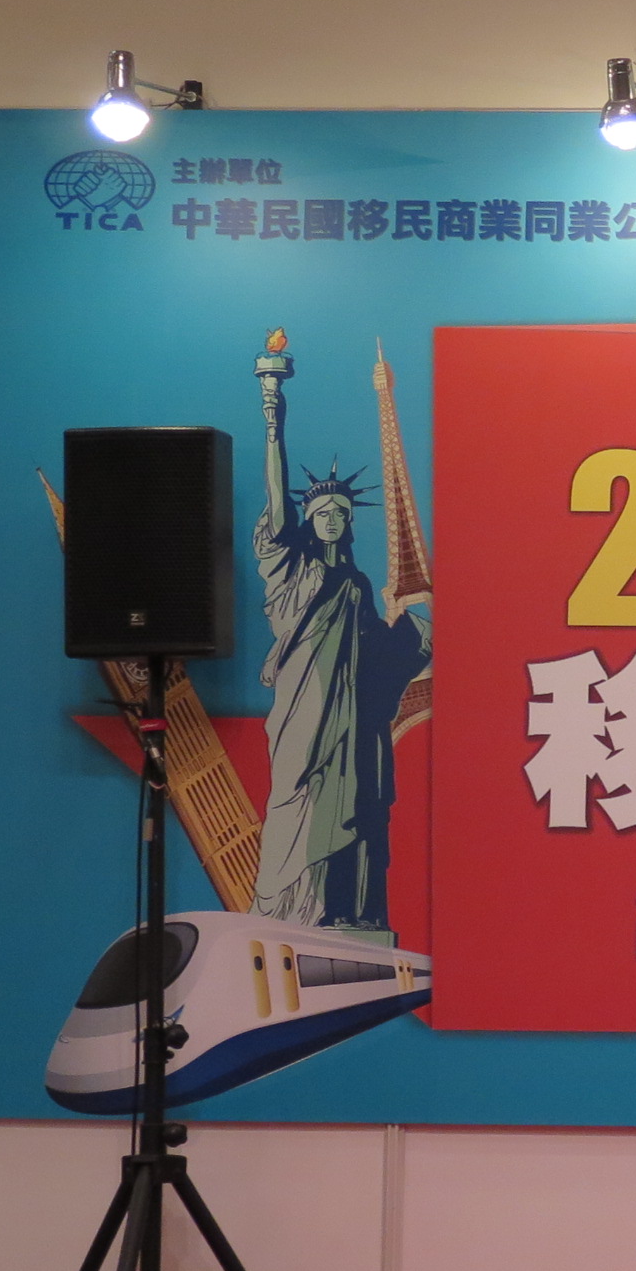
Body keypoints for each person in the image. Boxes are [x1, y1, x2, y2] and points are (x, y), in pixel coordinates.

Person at [248, 347, 431, 932]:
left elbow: (378, 654)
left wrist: (416, 628)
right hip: (305, 715)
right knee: (298, 801)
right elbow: (277, 500)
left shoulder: (355, 584)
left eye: (341, 513)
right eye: (323, 511)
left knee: (359, 804)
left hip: (353, 722)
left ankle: (349, 908)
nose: (332, 518)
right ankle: (296, 906)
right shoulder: (288, 569)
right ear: (308, 518)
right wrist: (273, 415)